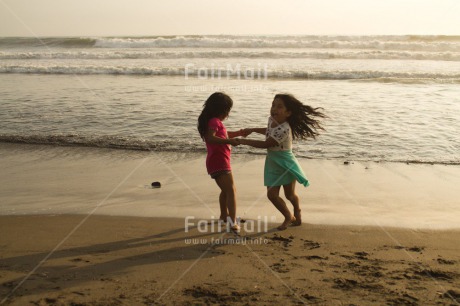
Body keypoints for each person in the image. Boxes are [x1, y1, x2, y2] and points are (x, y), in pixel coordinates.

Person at [237, 94, 325, 230]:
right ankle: (288, 216)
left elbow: (267, 143)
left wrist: (243, 141)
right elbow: (269, 131)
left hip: (285, 162)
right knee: (272, 195)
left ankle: (297, 210)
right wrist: (252, 130)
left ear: (288, 113)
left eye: (279, 107)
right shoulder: (271, 120)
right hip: (272, 161)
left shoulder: (285, 128)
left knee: (289, 195)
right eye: (273, 105)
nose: (274, 109)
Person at [197, 92, 247, 232]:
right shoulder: (214, 121)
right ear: (221, 110)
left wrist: (238, 133)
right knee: (231, 190)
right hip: (218, 160)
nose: (228, 114)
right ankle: (232, 222)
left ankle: (224, 216)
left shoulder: (216, 122)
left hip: (219, 160)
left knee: (226, 190)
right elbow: (210, 138)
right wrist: (229, 141)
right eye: (227, 111)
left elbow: (223, 134)